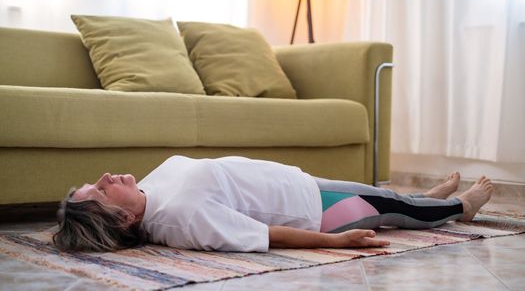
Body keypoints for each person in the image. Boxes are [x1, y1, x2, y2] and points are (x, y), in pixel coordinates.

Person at [53, 155, 494, 252]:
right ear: (125, 216)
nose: (105, 177)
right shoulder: (182, 220)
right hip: (315, 209)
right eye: (100, 191)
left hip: (298, 184)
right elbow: (264, 234)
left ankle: (420, 199)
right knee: (398, 213)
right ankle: (459, 208)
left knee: (387, 197)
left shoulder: (150, 188)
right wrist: (334, 243)